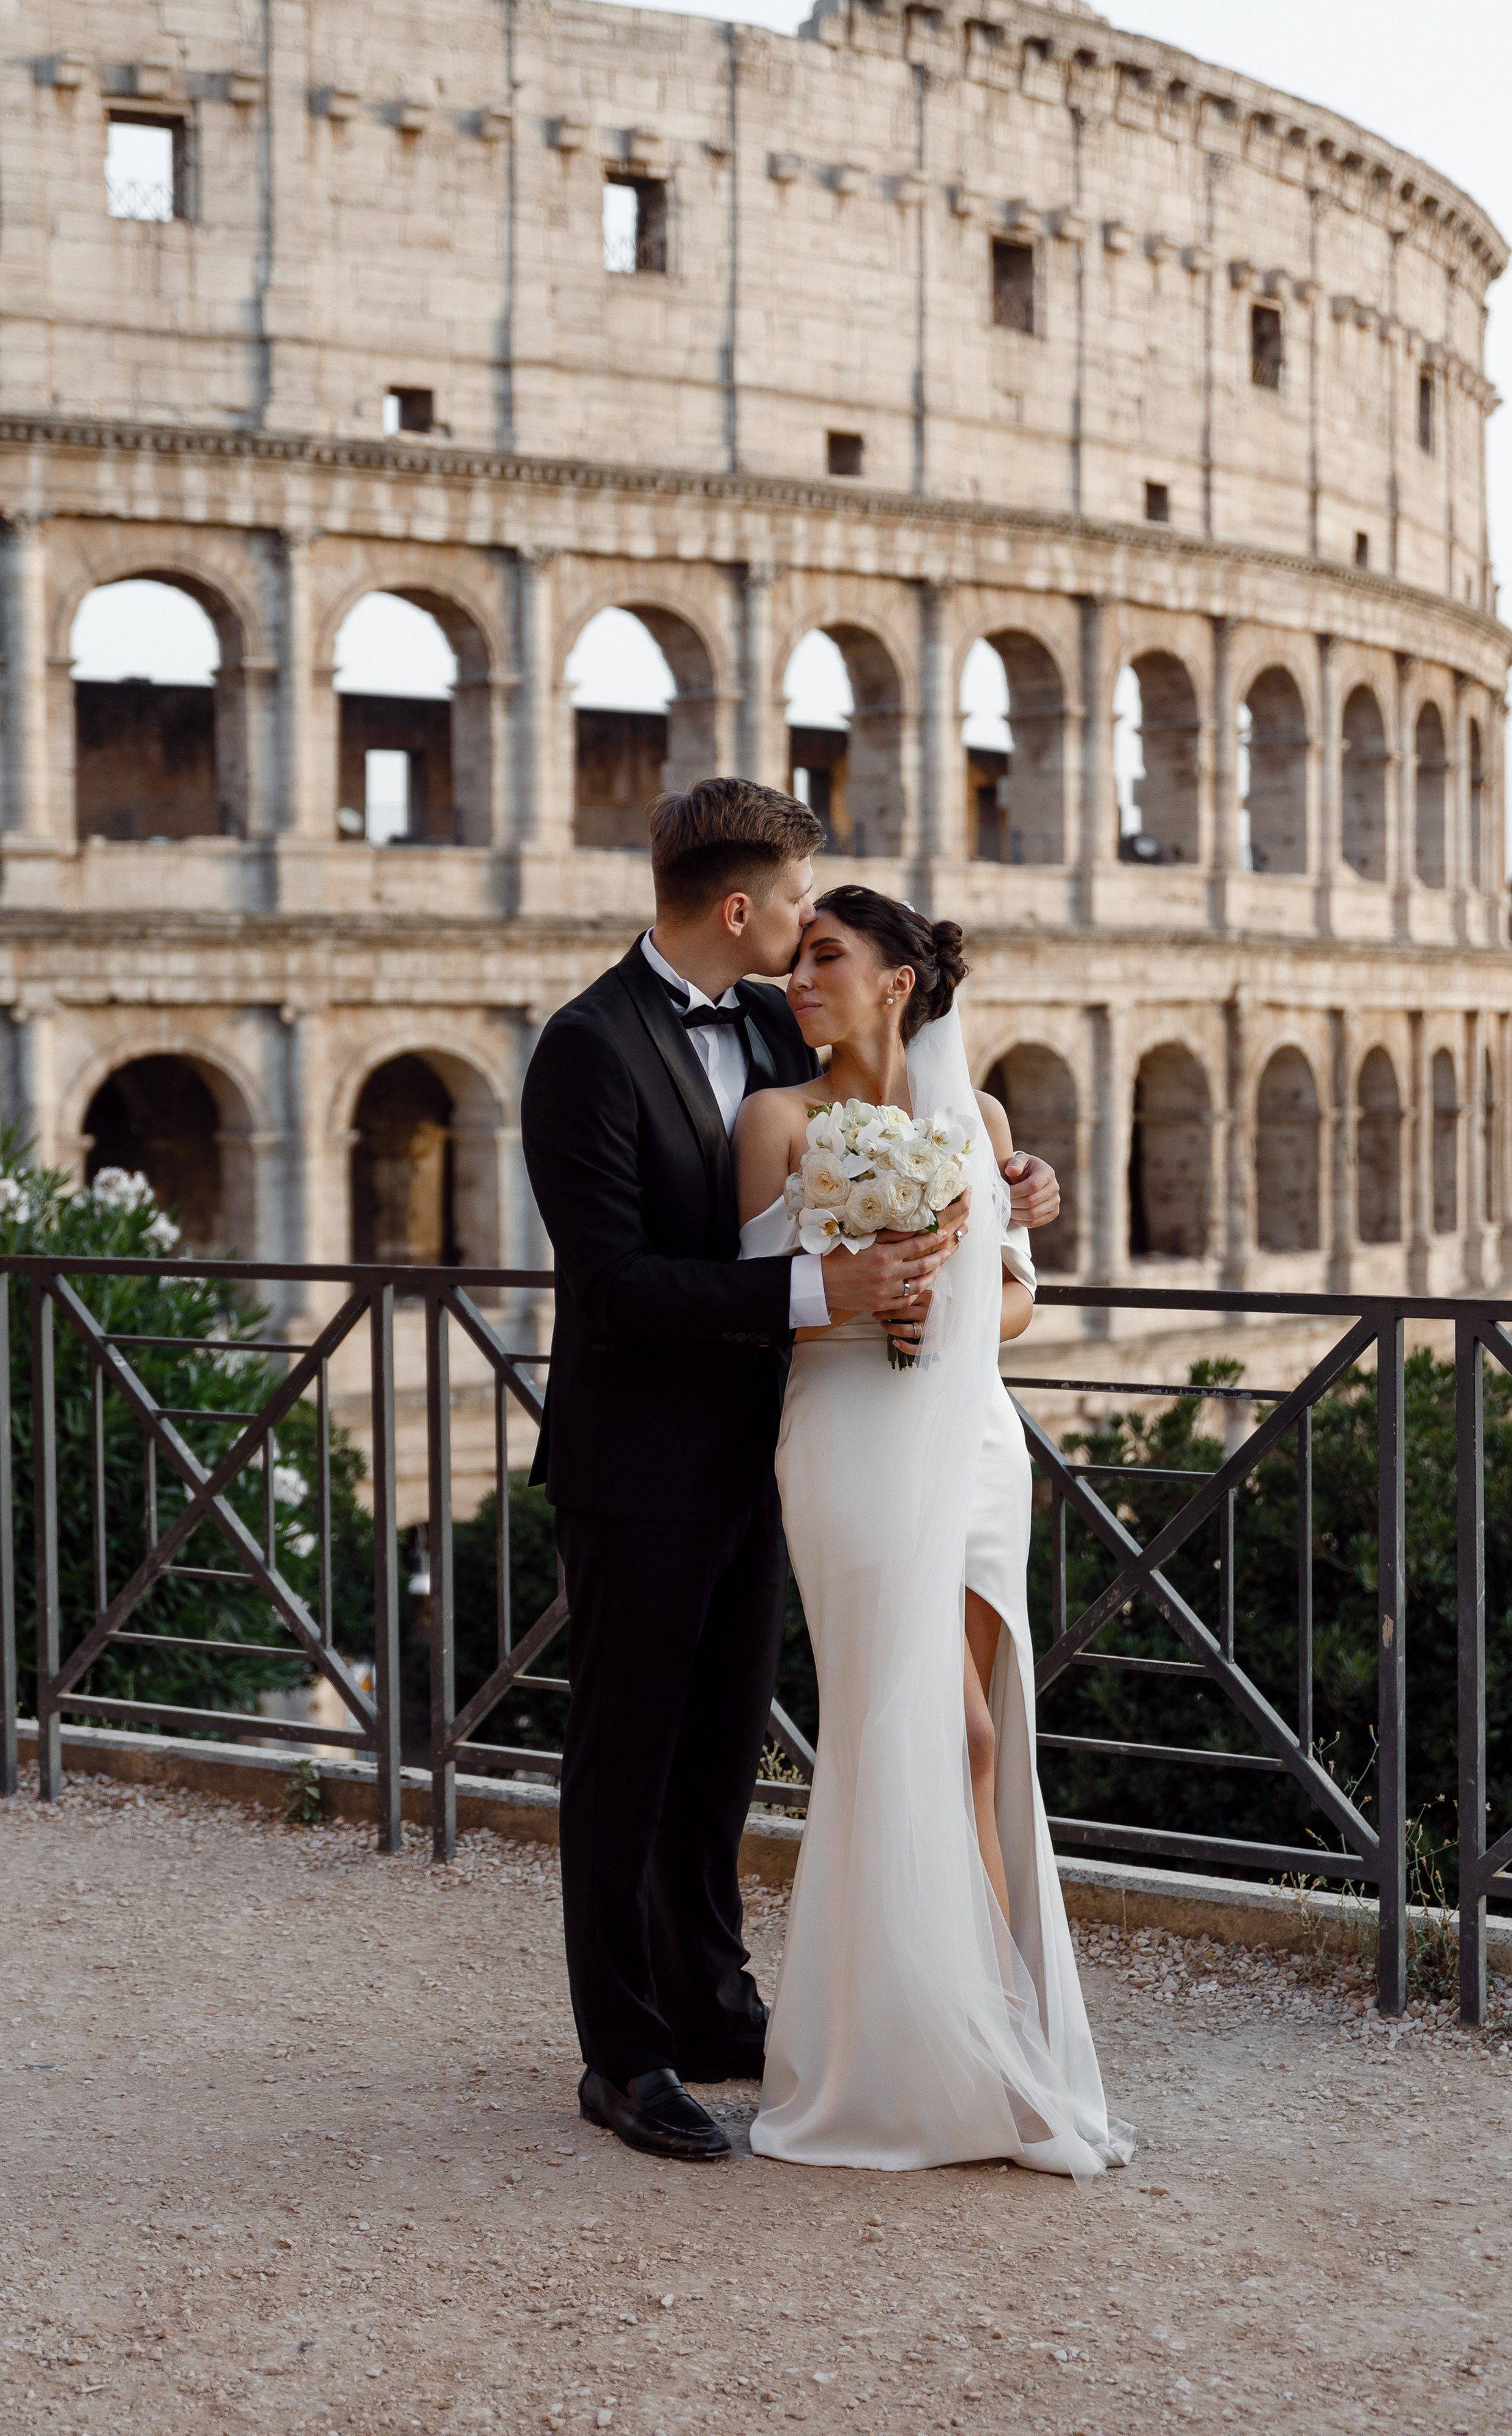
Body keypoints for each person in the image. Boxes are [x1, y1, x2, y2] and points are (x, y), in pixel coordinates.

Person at [520, 781, 1061, 2164]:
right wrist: (821, 1289)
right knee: (622, 1759)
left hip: (778, 1451)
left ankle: (710, 2004)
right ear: (740, 907)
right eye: (797, 904)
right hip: (638, 1458)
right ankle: (623, 2055)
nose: (809, 935)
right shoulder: (584, 1049)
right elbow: (615, 1284)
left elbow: (894, 1087)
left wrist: (1008, 1183)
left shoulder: (775, 1019)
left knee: (715, 1756)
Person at [732, 887, 1132, 2173]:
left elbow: (1015, 1302)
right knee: (921, 1727)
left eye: (825, 957)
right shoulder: (774, 1120)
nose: (798, 979)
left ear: (900, 980)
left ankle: (1001, 2053)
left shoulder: (983, 1119)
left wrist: (943, 1311)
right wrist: (863, 1301)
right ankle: (931, 2061)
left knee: (980, 1743)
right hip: (846, 1431)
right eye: (795, 960)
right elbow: (748, 1310)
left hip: (967, 1439)